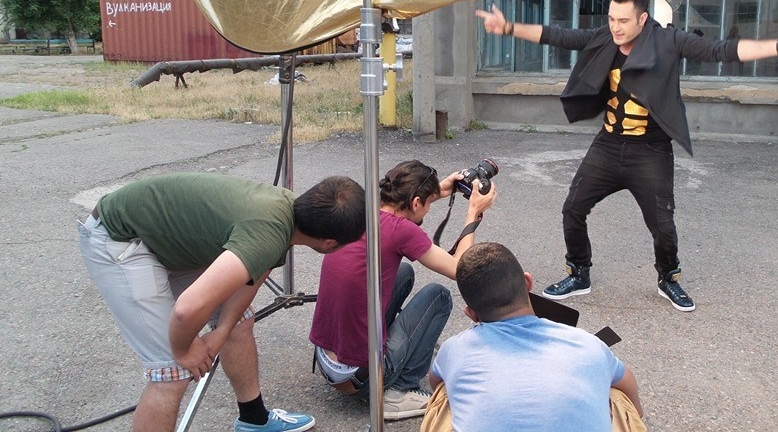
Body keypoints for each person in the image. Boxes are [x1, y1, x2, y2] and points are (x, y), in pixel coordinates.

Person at [477, 0, 778, 311]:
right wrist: (508, 27)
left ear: (643, 18)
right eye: (612, 19)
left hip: (651, 151)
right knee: (573, 208)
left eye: (624, 21)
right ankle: (579, 272)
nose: (616, 27)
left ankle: (668, 277)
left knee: (662, 226)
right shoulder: (605, 38)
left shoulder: (668, 41)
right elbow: (560, 36)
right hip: (608, 144)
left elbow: (719, 50)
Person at [77, 173, 366, 432]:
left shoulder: (292, 214)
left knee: (239, 321)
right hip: (118, 236)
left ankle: (254, 420)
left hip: (157, 237)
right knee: (171, 373)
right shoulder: (267, 234)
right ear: (329, 243)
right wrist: (184, 350)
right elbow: (187, 310)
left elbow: (251, 279)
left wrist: (223, 330)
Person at [309, 160, 497, 420]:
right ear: (416, 202)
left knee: (403, 272)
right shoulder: (402, 231)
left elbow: (409, 205)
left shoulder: (362, 211)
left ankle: (383, 364)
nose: (428, 209)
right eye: (427, 203)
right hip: (362, 376)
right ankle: (400, 389)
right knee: (439, 296)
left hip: (327, 361)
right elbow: (459, 269)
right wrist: (473, 212)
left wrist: (440, 190)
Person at [424, 242, 646, 432]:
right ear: (528, 282)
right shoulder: (588, 344)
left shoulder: (454, 349)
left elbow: (435, 382)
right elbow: (627, 381)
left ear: (470, 313)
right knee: (615, 393)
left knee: (446, 392)